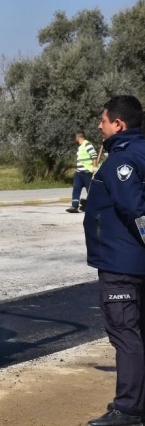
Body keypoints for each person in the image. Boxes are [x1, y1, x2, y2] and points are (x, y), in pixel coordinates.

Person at [83, 95, 145, 426]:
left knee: (126, 335)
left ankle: (130, 410)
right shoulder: (140, 151)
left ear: (118, 124)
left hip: (122, 266)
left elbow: (136, 210)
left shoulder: (123, 160)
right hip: (132, 262)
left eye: (103, 120)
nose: (99, 125)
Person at [66, 131, 98, 213]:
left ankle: (94, 206)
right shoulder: (80, 146)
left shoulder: (87, 144)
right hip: (79, 172)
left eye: (75, 137)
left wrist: (95, 167)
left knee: (90, 190)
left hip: (87, 172)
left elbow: (94, 156)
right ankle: (74, 206)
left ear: (78, 137)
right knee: (76, 189)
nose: (75, 139)